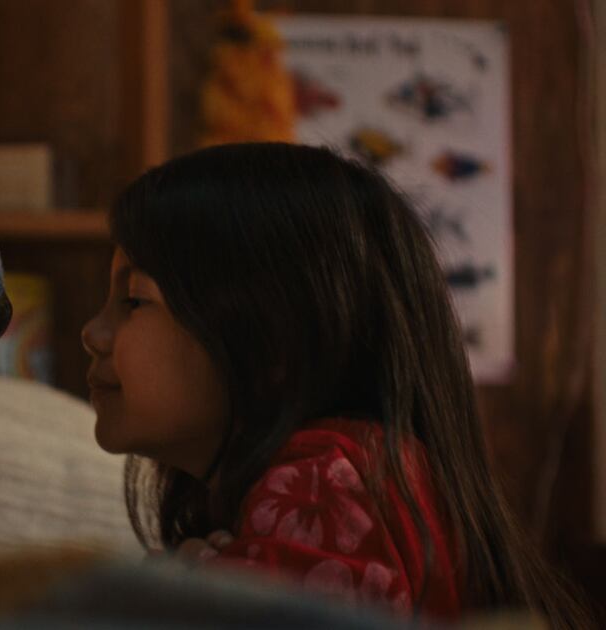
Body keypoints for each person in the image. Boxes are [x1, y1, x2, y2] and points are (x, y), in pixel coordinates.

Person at [81, 143, 592, 626]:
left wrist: (167, 600)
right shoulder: (353, 471)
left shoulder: (330, 484)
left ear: (270, 343)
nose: (92, 334)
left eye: (133, 301)